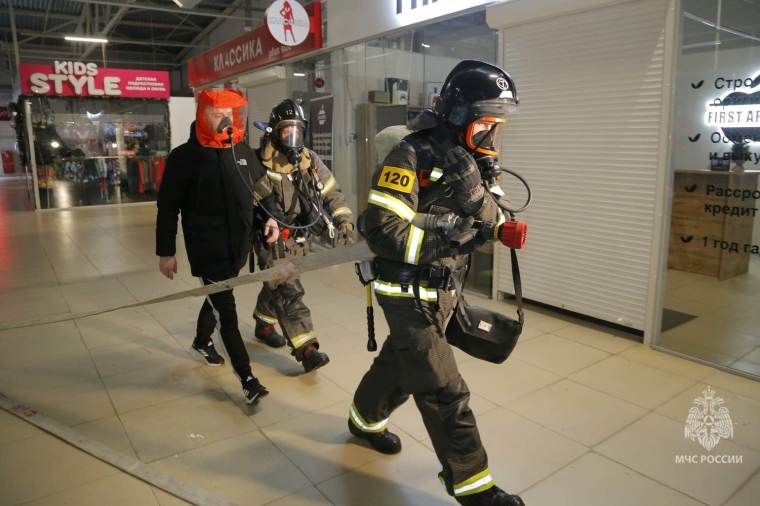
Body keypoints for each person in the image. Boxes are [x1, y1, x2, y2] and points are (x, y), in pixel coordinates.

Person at [347, 60, 525, 506]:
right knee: (444, 389)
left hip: (444, 291)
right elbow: (384, 231)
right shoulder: (412, 155)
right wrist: (447, 237)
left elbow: (498, 221)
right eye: (485, 124)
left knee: (400, 367)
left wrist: (475, 197)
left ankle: (364, 419)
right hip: (406, 291)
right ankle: (471, 484)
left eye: (497, 126)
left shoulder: (478, 166)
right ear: (459, 114)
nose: (491, 137)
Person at [156, 89, 270, 405]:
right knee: (228, 313)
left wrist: (270, 218)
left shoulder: (242, 150)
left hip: (238, 245)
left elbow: (262, 189)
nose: (226, 121)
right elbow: (167, 208)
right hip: (207, 247)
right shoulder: (184, 158)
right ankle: (248, 379)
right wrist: (166, 252)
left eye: (230, 115)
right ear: (204, 116)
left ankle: (201, 340)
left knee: (220, 297)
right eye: (218, 115)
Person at [251, 98, 355, 373]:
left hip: (299, 236)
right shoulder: (258, 162)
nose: (293, 137)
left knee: (277, 283)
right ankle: (307, 349)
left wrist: (344, 221)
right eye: (287, 131)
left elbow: (332, 192)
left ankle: (263, 323)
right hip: (270, 238)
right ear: (274, 131)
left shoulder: (309, 161)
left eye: (298, 130)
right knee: (288, 290)